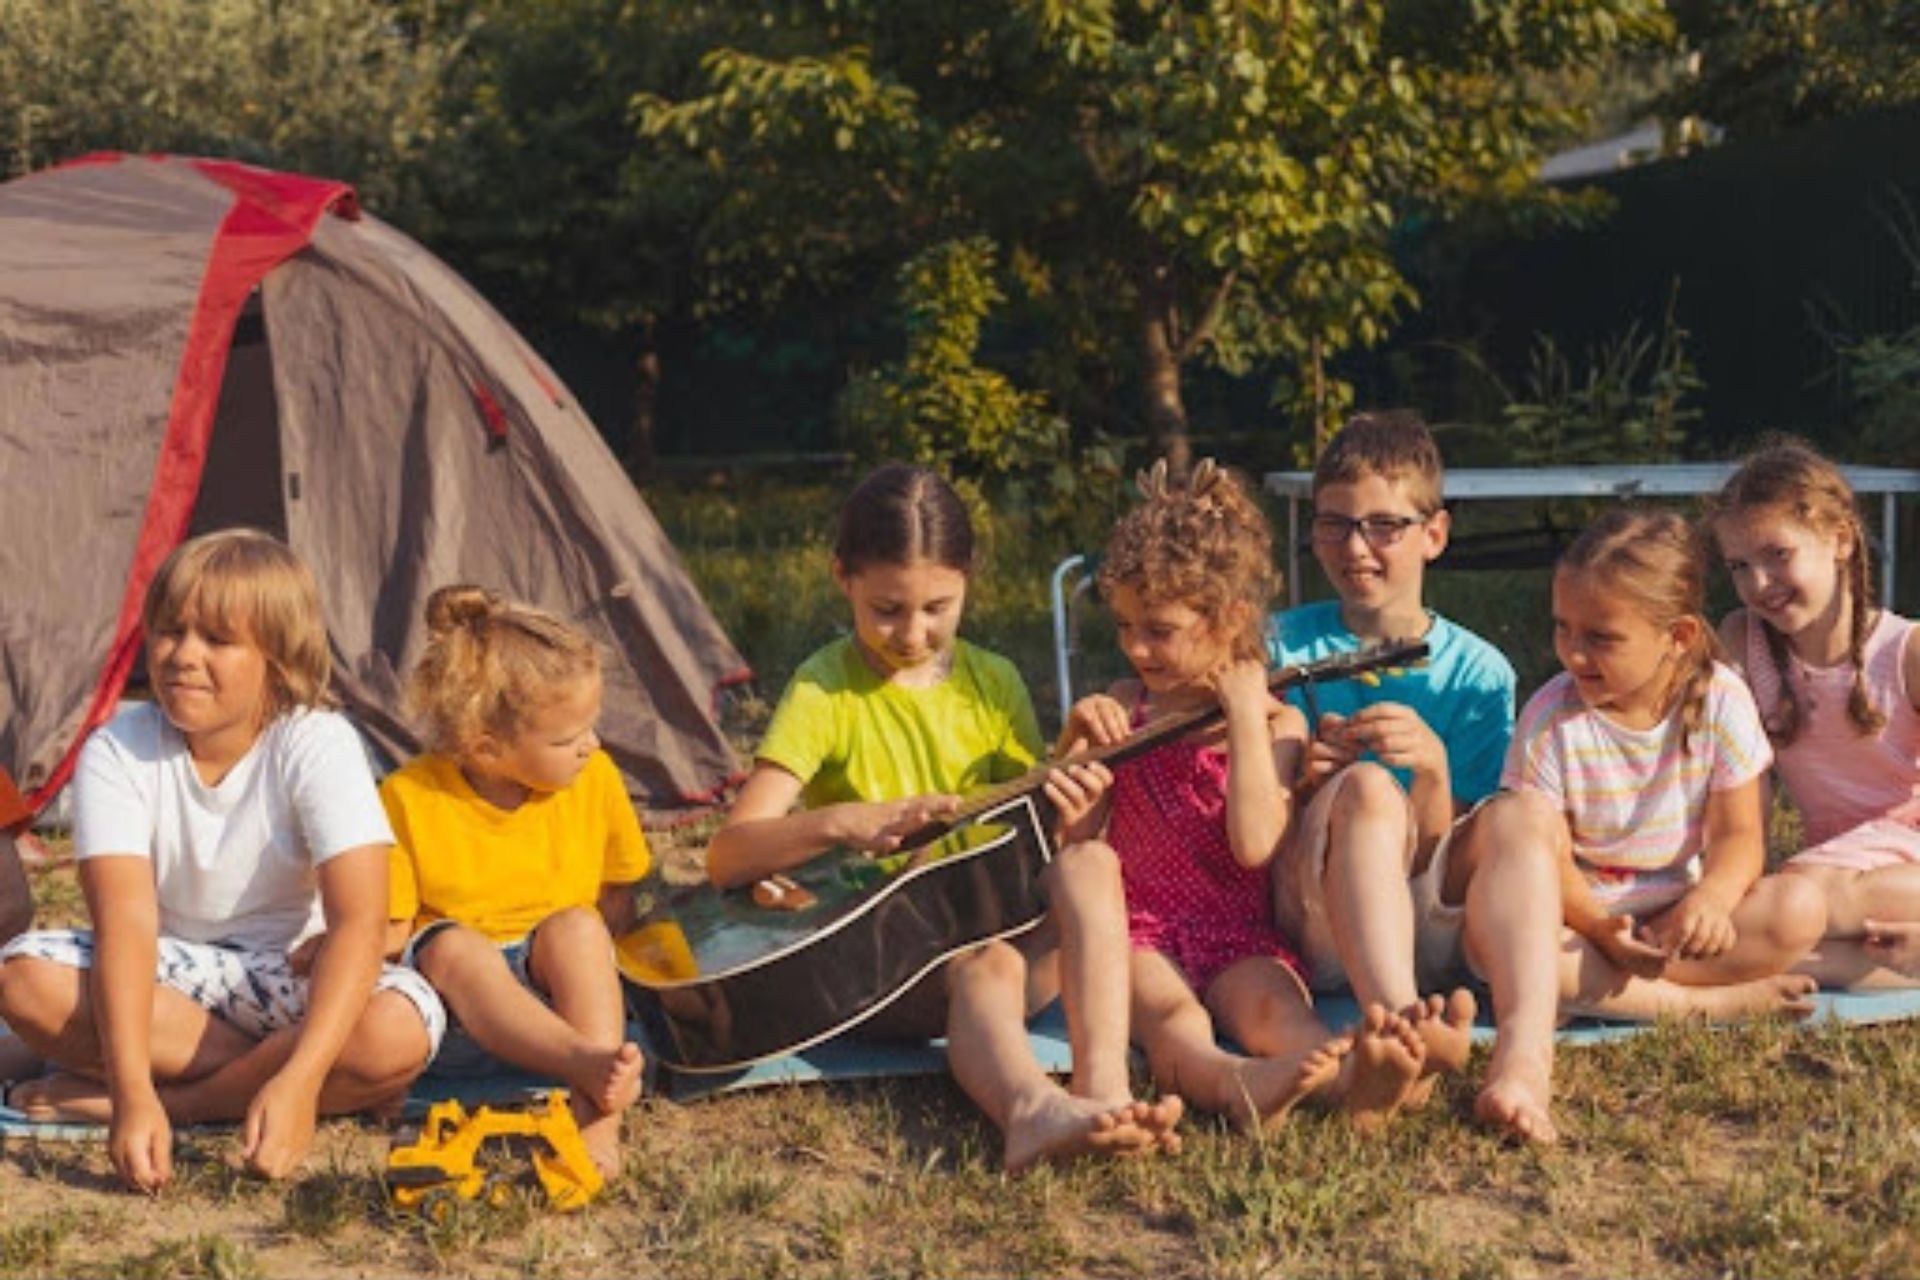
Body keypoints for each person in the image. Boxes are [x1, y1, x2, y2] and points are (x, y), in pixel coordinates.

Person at [706, 462, 1181, 1172]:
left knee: (1092, 864)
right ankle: (1029, 1112)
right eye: (887, 610)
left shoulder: (995, 682)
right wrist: (845, 823)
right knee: (981, 962)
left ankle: (1103, 1092)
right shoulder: (824, 688)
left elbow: (1042, 843)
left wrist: (1074, 778)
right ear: (843, 578)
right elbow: (728, 855)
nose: (913, 632)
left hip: (1000, 933)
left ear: (968, 579)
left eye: (938, 607)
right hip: (890, 969)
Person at [0, 530, 444, 1191]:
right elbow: (126, 924)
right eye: (170, 631)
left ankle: (191, 1105)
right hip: (170, 977)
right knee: (23, 978)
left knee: (400, 1029)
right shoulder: (117, 751)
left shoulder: (318, 742)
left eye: (217, 640)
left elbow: (359, 922)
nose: (183, 655)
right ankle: (280, 1087)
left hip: (288, 975)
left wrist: (298, 1078)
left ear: (278, 657)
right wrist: (129, 1092)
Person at [1064, 458, 1428, 1131]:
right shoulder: (1125, 705)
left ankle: (1362, 1079)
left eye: (1159, 630)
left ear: (1228, 621)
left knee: (1281, 1016)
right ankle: (1239, 1087)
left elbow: (1255, 844)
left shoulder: (1275, 722)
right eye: (1124, 627)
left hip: (1240, 933)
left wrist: (1242, 715)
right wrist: (1077, 745)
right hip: (1141, 932)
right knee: (1175, 1024)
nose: (1136, 649)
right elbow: (1077, 846)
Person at [1451, 508, 1828, 1141]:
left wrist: (1710, 900)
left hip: (1672, 920)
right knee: (1499, 943)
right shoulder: (1552, 721)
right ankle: (1700, 1008)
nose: (1573, 652)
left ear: (1677, 636)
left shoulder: (1720, 702)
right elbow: (1537, 860)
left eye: (1601, 637)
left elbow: (1740, 837)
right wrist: (1601, 930)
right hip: (1575, 921)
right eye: (1562, 628)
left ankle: (1596, 997)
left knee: (1799, 910)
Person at [380, 586, 648, 1177]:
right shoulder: (408, 797)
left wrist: (606, 977)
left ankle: (597, 1128)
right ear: (487, 748)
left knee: (580, 928)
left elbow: (617, 900)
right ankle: (585, 1063)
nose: (593, 744)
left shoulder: (595, 777)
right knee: (453, 946)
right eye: (567, 738)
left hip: (563, 1003)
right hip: (456, 1025)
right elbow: (394, 933)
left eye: (591, 727)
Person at [1268, 412, 1496, 1103]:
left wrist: (1431, 771)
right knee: (1366, 788)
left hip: (1423, 924)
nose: (1356, 546)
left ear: (1435, 534)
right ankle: (1402, 1022)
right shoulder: (1276, 649)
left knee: (1383, 788)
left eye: (1384, 525)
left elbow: (1446, 855)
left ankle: (1398, 1026)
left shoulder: (1480, 674)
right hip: (1309, 918)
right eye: (1334, 523)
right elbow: (1250, 832)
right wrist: (1303, 786)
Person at [1707, 440, 1920, 989]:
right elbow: (1721, 766)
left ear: (1840, 539)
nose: (1758, 584)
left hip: (1899, 869)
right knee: (1785, 912)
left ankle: (1691, 970)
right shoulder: (1743, 640)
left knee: (1790, 906)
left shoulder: (1906, 653)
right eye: (1739, 566)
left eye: (1778, 555)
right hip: (1829, 867)